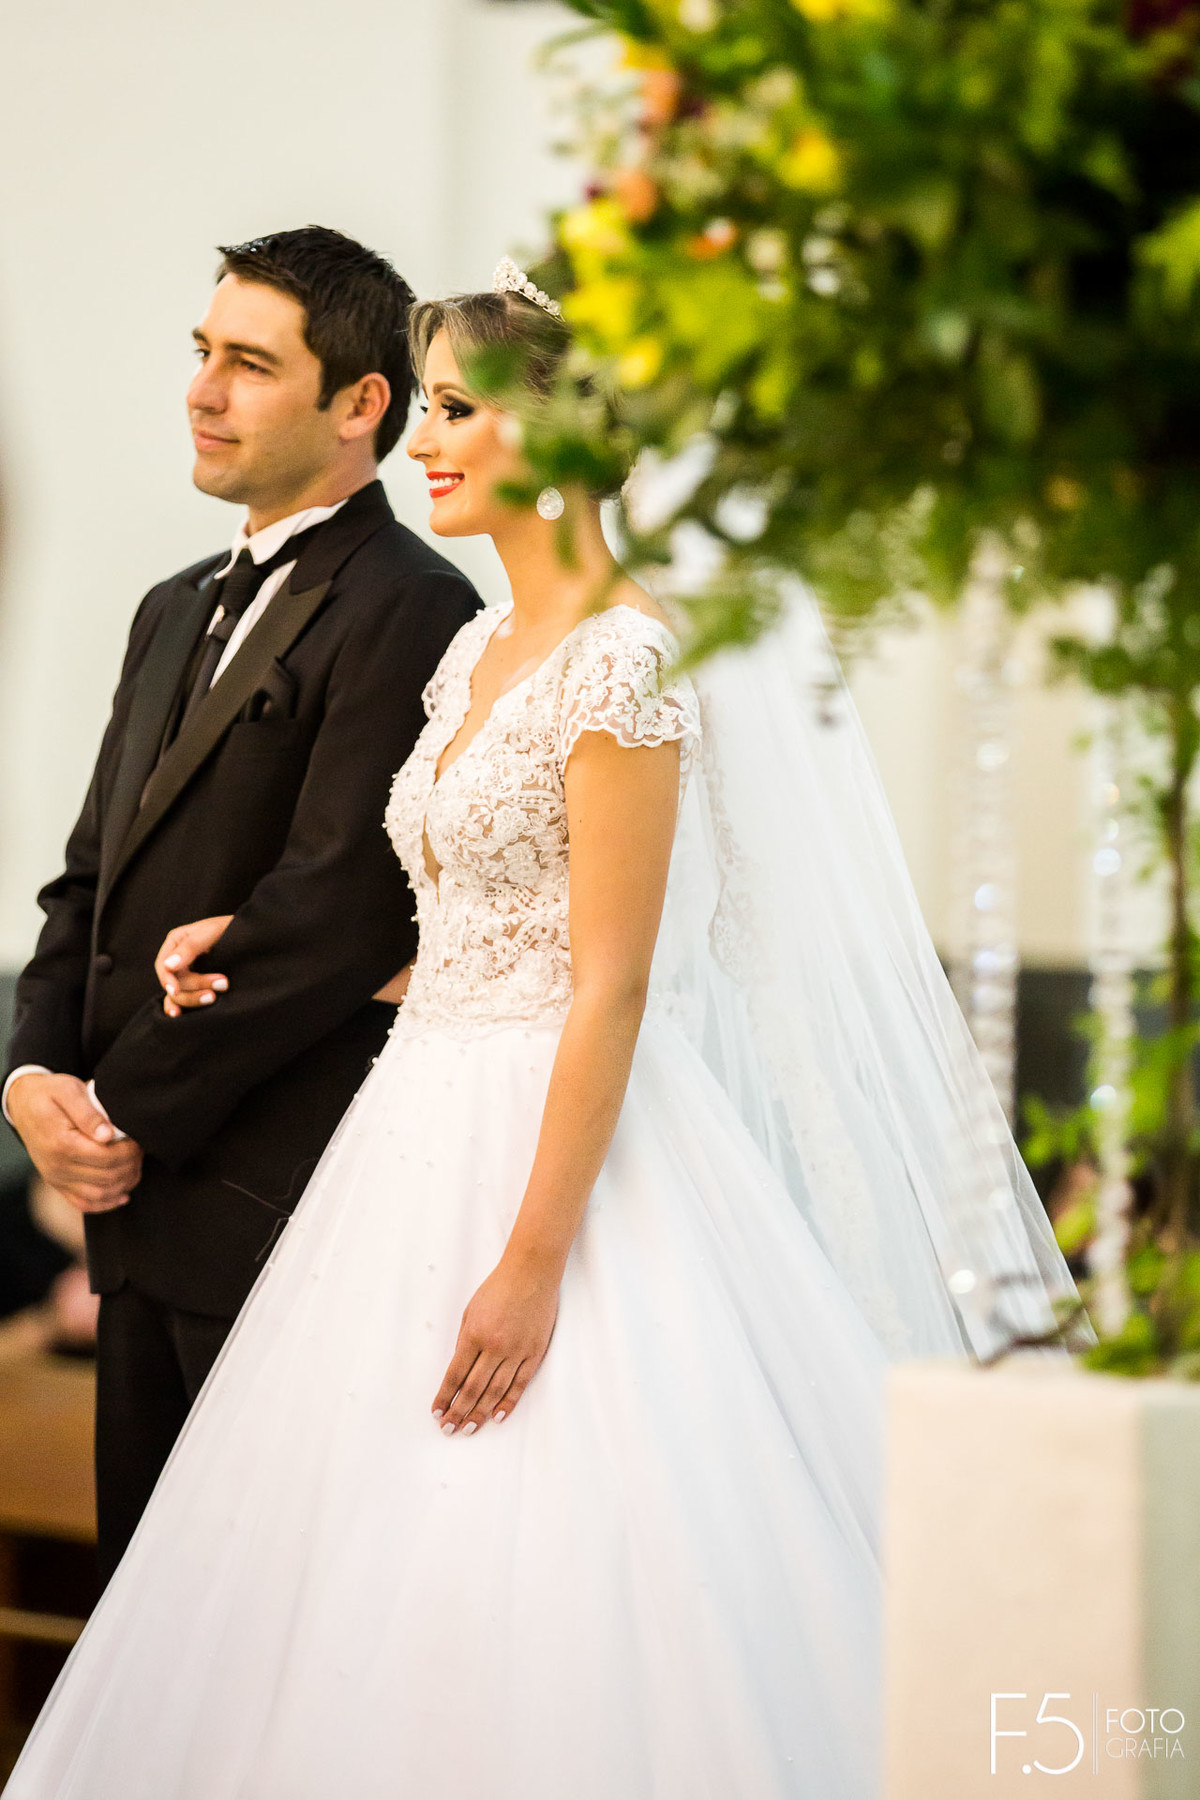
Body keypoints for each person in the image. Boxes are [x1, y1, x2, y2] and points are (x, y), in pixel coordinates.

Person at [2, 266, 1087, 1800]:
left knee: (562, 1538)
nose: (427, 440)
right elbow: (448, 934)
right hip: (410, 1125)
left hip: (554, 1150)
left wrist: (529, 1262)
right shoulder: (476, 653)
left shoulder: (625, 662)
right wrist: (227, 947)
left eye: (455, 407)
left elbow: (614, 985)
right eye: (428, 406)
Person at [1, 227, 479, 1581]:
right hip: (132, 1217)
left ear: (359, 405)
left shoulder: (412, 604)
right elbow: (86, 880)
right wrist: (35, 1071)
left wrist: (123, 1113)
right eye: (203, 356)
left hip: (273, 1198)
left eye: (250, 364)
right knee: (135, 1615)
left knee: (254, 1614)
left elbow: (334, 912)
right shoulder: (166, 610)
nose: (203, 390)